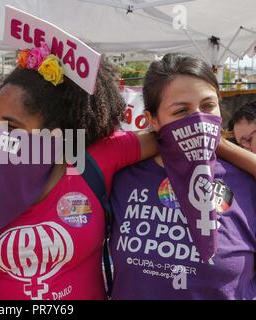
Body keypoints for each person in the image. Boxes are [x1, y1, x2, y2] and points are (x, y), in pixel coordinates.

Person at [109, 53, 256, 300]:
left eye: (208, 106)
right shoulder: (123, 179)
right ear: (152, 120)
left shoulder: (247, 183)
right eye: (181, 111)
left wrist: (222, 145)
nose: (198, 119)